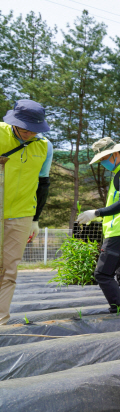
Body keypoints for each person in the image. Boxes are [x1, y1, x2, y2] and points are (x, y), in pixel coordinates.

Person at [77, 138, 120, 313]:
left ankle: (118, 309)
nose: (103, 163)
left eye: (103, 159)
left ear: (114, 154)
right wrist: (99, 218)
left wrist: (96, 213)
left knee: (102, 273)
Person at [0, 100, 52, 325]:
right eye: (24, 128)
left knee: (9, 269)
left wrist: (36, 219)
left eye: (34, 129)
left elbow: (43, 184)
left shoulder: (45, 146)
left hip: (21, 214)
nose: (29, 133)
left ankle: (1, 320)